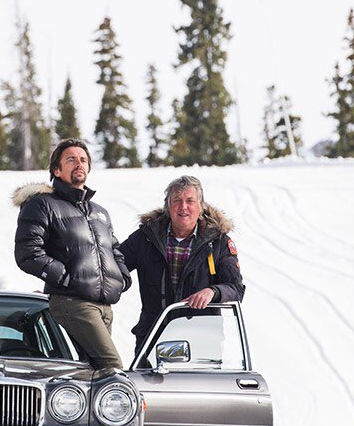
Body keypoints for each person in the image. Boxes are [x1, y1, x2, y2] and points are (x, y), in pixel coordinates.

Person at [13, 138, 131, 372]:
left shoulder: (99, 212)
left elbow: (113, 250)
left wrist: (122, 278)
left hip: (104, 306)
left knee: (93, 373)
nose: (79, 163)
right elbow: (27, 252)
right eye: (71, 159)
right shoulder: (41, 204)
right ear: (56, 170)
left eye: (83, 159)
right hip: (73, 302)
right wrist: (67, 279)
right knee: (113, 368)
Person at [120, 175, 245, 355]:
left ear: (201, 206)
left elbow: (236, 288)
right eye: (177, 200)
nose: (183, 206)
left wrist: (213, 292)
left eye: (190, 201)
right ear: (168, 206)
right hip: (154, 336)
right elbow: (115, 265)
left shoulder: (218, 242)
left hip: (201, 339)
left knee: (199, 384)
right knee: (149, 383)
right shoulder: (145, 238)